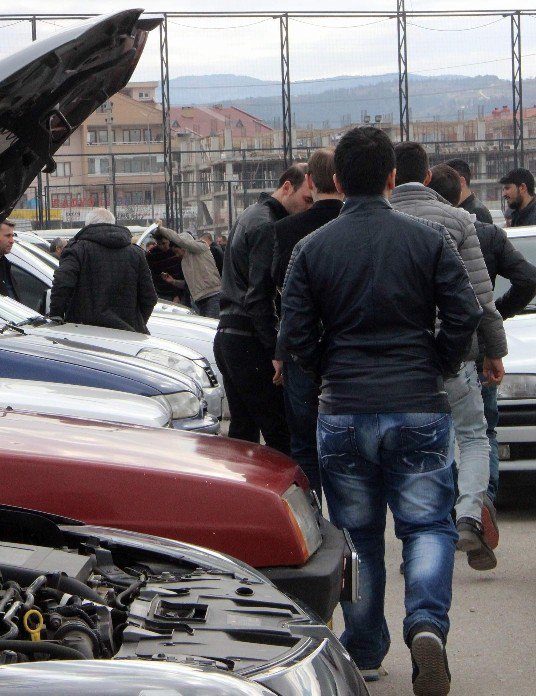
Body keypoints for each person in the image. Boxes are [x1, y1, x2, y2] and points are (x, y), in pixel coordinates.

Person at [280, 126, 482, 696]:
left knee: (357, 535)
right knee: (426, 525)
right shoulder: (426, 240)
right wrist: (436, 363)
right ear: (393, 178)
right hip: (417, 401)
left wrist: (327, 372)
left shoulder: (311, 249)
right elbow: (463, 314)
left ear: (336, 182)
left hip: (343, 406)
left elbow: (294, 332)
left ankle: (365, 647)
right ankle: (426, 625)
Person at [391, 151, 507, 572]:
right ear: (427, 175)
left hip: (402, 358)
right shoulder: (458, 221)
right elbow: (480, 296)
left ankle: (424, 534)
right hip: (454, 353)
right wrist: (494, 350)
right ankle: (470, 515)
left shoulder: (380, 221)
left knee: (416, 447)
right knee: (473, 435)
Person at [214, 163, 312, 453]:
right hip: (249, 340)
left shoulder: (251, 215)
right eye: (307, 199)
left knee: (243, 432)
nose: (308, 208)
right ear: (286, 187)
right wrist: (274, 349)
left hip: (230, 334)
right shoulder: (268, 225)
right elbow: (259, 296)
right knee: (279, 431)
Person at [268, 148, 344, 500]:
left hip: (301, 347)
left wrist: (282, 349)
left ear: (310, 181)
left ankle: (314, 519)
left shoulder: (286, 230)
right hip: (346, 347)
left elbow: (282, 294)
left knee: (303, 442)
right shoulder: (352, 223)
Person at [468, 196, 536, 537]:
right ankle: (483, 504)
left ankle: (444, 518)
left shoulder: (420, 230)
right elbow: (527, 278)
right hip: (479, 353)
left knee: (440, 438)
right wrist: (501, 311)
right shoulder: (489, 236)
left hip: (430, 357)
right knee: (482, 432)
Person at [49, 207, 156, 333]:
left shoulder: (77, 250)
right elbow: (149, 297)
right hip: (127, 334)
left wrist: (56, 316)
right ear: (113, 224)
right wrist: (136, 322)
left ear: (87, 226)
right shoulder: (136, 253)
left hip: (84, 332)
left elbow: (62, 283)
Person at [154, 224, 221, 317]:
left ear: (183, 246)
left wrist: (161, 229)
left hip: (212, 295)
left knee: (211, 326)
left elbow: (179, 240)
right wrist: (173, 281)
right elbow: (188, 285)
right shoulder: (185, 262)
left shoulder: (200, 247)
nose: (177, 255)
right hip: (199, 300)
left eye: (177, 252)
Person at [444, 158, 493, 223]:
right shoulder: (466, 208)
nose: (444, 186)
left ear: (461, 182)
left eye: (447, 181)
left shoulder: (477, 212)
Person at [145, 233, 184, 302]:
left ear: (169, 240)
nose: (162, 246)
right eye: (159, 244)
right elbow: (151, 274)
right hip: (160, 292)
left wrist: (178, 294)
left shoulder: (175, 251)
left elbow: (180, 274)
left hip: (178, 290)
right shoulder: (152, 254)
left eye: (164, 243)